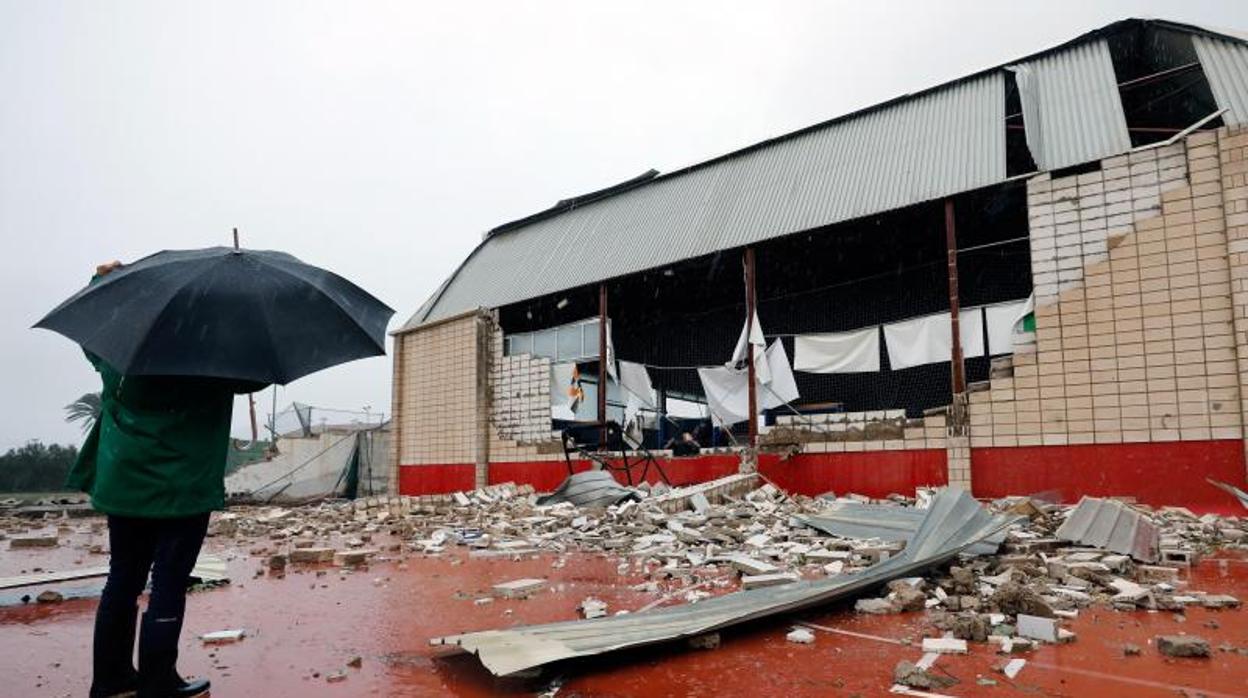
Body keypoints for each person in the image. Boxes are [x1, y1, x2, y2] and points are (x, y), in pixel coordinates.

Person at [70, 261, 265, 698]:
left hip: (124, 481)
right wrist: (244, 318)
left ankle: (111, 681)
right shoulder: (212, 356)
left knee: (122, 579)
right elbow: (258, 375)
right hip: (183, 487)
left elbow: (94, 328)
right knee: (169, 581)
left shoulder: (119, 352)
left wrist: (101, 281)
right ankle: (159, 681)